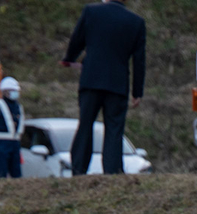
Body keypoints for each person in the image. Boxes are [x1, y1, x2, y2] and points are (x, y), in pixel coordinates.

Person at [60, 0, 146, 175]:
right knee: (114, 129)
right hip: (117, 84)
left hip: (91, 80)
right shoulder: (136, 22)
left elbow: (78, 39)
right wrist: (137, 91)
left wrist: (69, 58)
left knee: (85, 124)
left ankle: (79, 168)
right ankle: (112, 171)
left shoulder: (91, 12)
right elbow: (139, 60)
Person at [0, 77, 25, 178]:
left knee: (16, 172)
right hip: (1, 143)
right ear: (5, 92)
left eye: (16, 91)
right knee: (2, 171)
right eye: (12, 91)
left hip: (15, 143)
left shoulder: (18, 107)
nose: (15, 93)